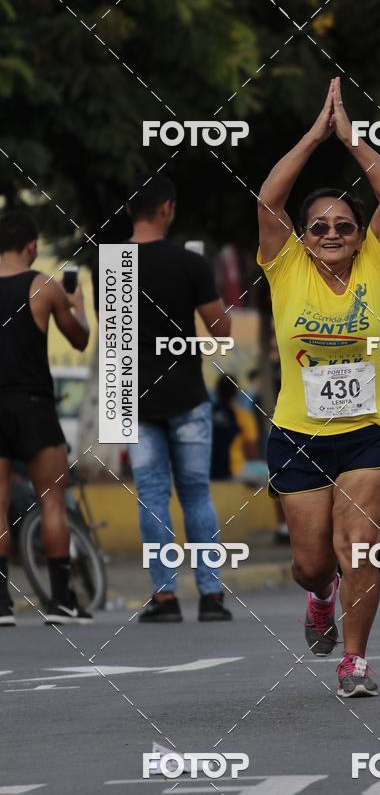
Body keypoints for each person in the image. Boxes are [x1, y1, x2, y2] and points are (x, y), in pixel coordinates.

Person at [256, 77, 380, 696]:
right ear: (304, 238)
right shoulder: (287, 265)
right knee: (314, 564)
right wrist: (314, 135)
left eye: (344, 225)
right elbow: (269, 200)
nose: (333, 234)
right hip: (298, 435)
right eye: (319, 227)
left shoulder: (378, 260)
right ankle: (320, 598)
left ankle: (355, 662)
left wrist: (351, 140)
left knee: (360, 550)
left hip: (372, 432)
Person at [92, 176, 233, 623]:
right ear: (167, 208)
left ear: (130, 210)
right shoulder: (190, 263)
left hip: (135, 398)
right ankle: (211, 596)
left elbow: (110, 336)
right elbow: (221, 331)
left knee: (151, 495)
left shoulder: (110, 266)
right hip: (187, 394)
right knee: (196, 493)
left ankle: (165, 598)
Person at [0, 210, 91, 625]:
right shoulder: (42, 286)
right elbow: (79, 338)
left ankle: (1, 604)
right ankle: (61, 602)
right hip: (34, 405)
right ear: (32, 246)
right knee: (52, 501)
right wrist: (79, 307)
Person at [211, 374, 261, 481]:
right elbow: (251, 453)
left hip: (209, 470)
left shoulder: (208, 414)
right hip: (234, 469)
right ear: (235, 392)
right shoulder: (242, 415)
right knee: (271, 475)